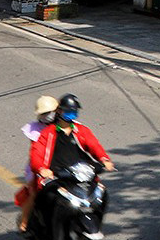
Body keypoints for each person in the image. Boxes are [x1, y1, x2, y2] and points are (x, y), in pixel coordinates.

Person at [23, 94, 114, 232]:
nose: (71, 114)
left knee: (102, 193)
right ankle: (47, 232)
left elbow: (94, 145)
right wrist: (41, 169)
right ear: (59, 111)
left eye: (74, 111)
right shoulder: (47, 133)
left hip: (79, 173)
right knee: (46, 198)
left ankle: (95, 224)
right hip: (56, 174)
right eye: (68, 111)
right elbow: (37, 153)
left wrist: (104, 159)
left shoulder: (81, 130)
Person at [15, 96, 59, 232]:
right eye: (45, 113)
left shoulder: (64, 125)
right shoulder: (35, 129)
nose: (48, 115)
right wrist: (41, 168)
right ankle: (24, 221)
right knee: (34, 194)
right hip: (38, 167)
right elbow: (36, 152)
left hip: (60, 165)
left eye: (50, 112)